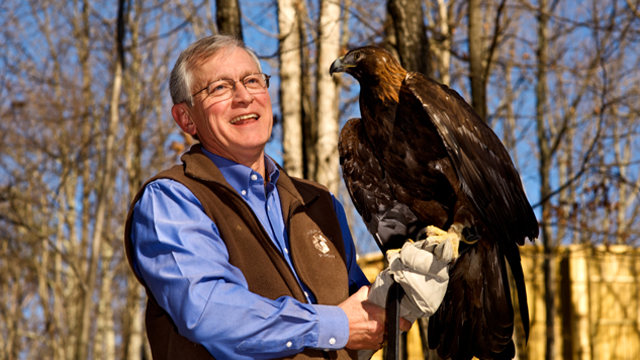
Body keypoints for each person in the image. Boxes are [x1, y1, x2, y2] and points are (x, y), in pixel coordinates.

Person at [124, 35, 450, 360]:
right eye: (220, 88)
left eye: (253, 81)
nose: (244, 97)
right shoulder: (172, 198)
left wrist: (394, 299)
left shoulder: (320, 203)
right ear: (186, 118)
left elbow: (358, 330)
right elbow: (208, 311)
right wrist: (333, 324)